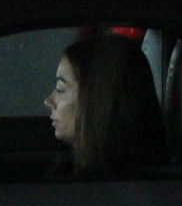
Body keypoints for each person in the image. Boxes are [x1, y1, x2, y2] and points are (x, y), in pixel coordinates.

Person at [45, 34, 168, 176]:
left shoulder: (96, 186)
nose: (48, 101)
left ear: (96, 101)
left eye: (60, 89)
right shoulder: (73, 166)